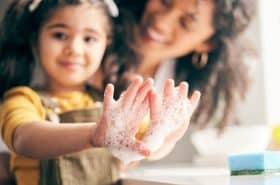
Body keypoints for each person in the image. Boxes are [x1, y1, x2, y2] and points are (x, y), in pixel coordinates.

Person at [0, 0, 201, 185]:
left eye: (89, 39)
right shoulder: (22, 98)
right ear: (35, 39)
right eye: (60, 35)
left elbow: (145, 148)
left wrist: (163, 138)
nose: (74, 49)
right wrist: (94, 135)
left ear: (106, 44)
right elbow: (24, 139)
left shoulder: (110, 106)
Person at [90, 0, 256, 160]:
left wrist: (157, 147)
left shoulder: (175, 88)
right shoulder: (92, 31)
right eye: (165, 1)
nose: (161, 22)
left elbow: (140, 150)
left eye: (185, 23)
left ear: (207, 43)